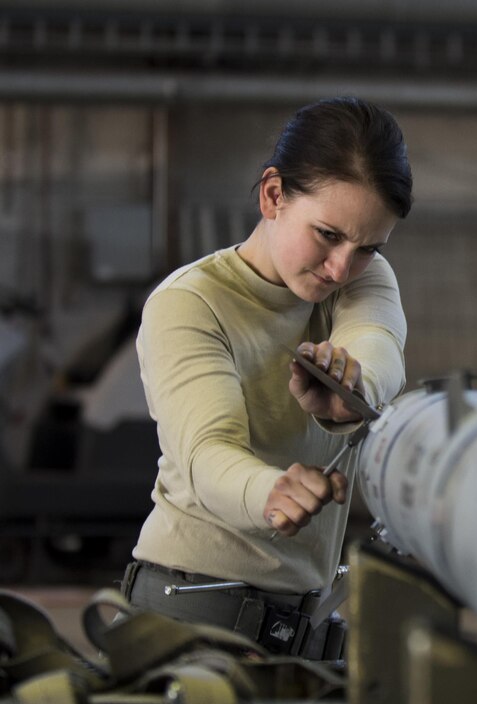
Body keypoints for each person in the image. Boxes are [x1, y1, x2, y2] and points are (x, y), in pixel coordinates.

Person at [121, 97, 412, 659]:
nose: (340, 268)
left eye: (367, 247)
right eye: (327, 234)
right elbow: (208, 454)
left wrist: (355, 391)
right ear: (273, 194)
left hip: (306, 631)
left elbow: (379, 345)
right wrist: (270, 492)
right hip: (191, 616)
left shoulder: (361, 276)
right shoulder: (190, 304)